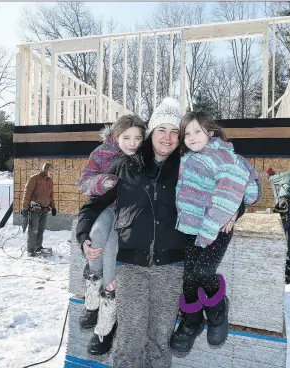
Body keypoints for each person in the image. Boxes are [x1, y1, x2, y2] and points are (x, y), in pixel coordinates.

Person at [76, 97, 187, 367]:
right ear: (151, 133)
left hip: (171, 267)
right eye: (162, 129)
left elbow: (227, 191)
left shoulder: (189, 167)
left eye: (175, 131)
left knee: (160, 340)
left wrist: (232, 211)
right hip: (131, 267)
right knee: (129, 339)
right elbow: (93, 204)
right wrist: (83, 237)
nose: (168, 137)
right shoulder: (127, 166)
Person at [169, 111, 254, 355]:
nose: (192, 137)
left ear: (211, 132)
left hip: (216, 225)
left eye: (197, 131)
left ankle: (217, 309)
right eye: (187, 133)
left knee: (203, 270)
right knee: (187, 276)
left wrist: (232, 211)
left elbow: (238, 185)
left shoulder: (224, 156)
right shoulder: (185, 157)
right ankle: (192, 321)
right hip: (190, 226)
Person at [76, 115, 146, 355]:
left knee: (112, 254)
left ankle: (105, 322)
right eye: (127, 137)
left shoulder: (143, 158)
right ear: (116, 137)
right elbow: (83, 182)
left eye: (138, 137)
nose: (133, 143)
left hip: (127, 215)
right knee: (96, 236)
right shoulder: (102, 153)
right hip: (106, 207)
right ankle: (92, 299)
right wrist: (101, 182)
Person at [21, 162, 57, 257]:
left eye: (52, 170)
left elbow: (51, 195)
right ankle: (31, 249)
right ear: (45, 169)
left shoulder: (50, 181)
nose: (51, 172)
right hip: (35, 209)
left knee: (41, 229)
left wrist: (53, 207)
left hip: (45, 209)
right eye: (50, 170)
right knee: (33, 229)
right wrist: (25, 208)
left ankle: (38, 246)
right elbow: (27, 193)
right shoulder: (34, 179)